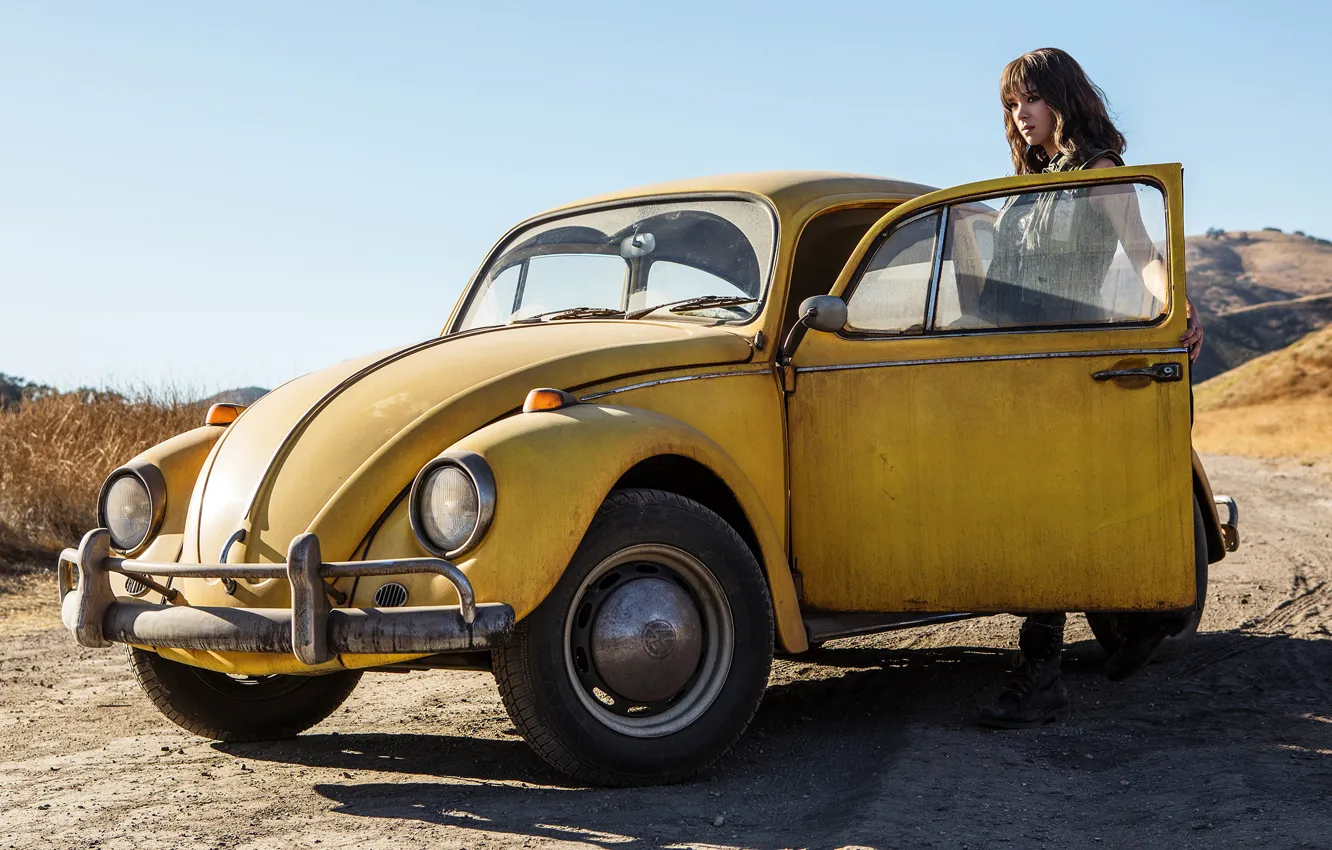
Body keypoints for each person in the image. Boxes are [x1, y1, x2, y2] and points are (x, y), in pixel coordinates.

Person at [976, 47, 1205, 729]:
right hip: (1019, 364)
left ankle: (1044, 667)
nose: (1020, 116)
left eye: (1031, 99)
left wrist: (1178, 307)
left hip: (1069, 361)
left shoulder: (1098, 171)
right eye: (1012, 105)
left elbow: (1140, 254)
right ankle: (1144, 618)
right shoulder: (1033, 182)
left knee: (1041, 513)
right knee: (1039, 508)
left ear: (1064, 100)